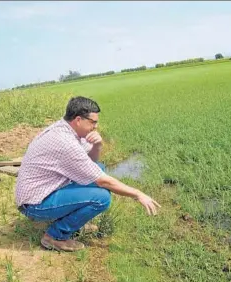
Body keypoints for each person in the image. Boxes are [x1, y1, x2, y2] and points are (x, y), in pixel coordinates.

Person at [15, 96, 161, 252]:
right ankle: (55, 236)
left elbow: (91, 163)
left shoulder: (66, 129)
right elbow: (102, 181)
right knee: (101, 198)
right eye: (93, 122)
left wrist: (97, 145)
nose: (95, 127)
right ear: (78, 120)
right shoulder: (65, 142)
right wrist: (138, 194)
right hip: (35, 204)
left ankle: (73, 221)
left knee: (99, 167)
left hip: (46, 190)